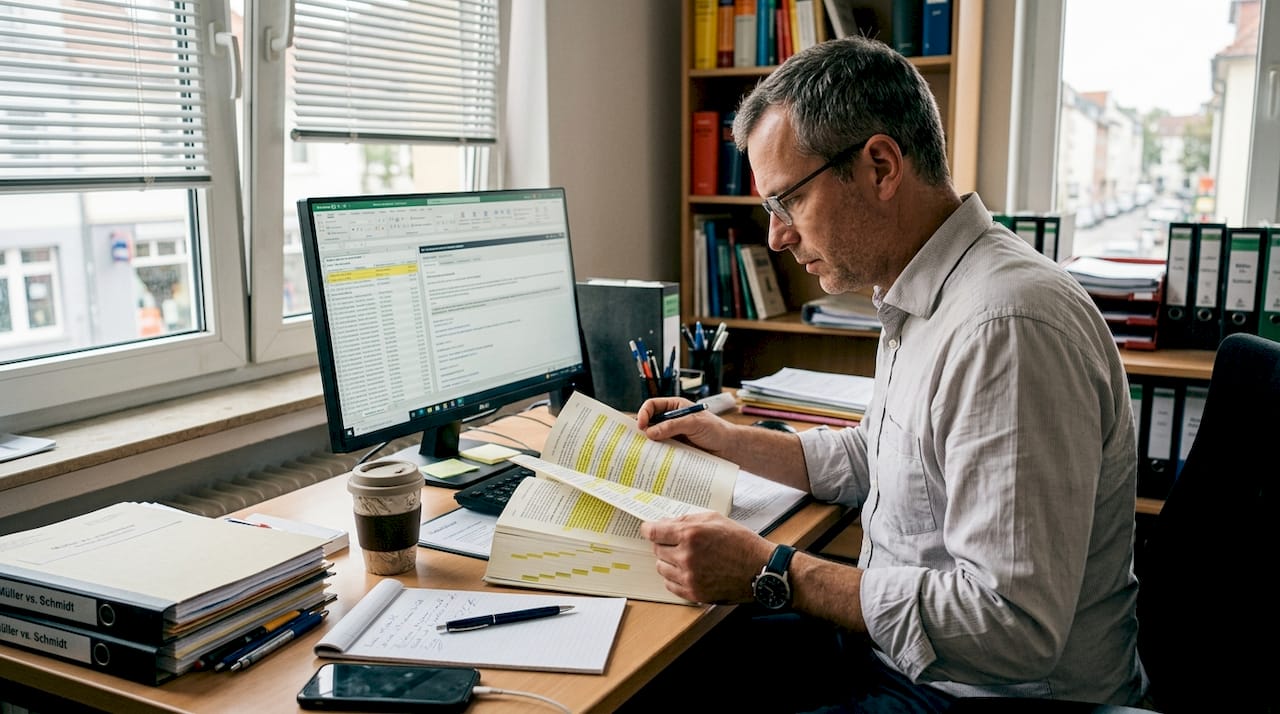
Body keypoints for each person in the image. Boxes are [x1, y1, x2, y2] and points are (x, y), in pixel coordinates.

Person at [631, 35, 1147, 712]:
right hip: (911, 658)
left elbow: (1012, 627)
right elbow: (882, 455)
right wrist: (726, 440)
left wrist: (772, 568)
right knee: (683, 668)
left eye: (787, 202)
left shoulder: (1006, 327)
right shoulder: (924, 289)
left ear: (879, 166)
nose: (777, 237)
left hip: (989, 693)